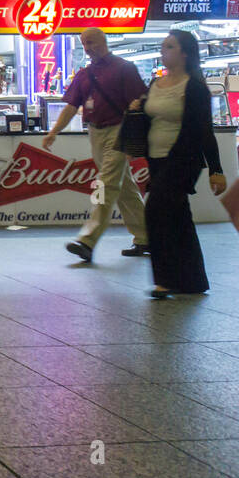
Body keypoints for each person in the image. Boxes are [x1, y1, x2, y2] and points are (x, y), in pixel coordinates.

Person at [128, 31, 227, 298]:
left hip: (183, 160)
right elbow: (148, 118)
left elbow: (205, 131)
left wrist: (216, 170)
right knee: (179, 217)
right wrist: (138, 107)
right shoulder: (155, 84)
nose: (163, 51)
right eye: (162, 47)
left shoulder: (194, 87)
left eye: (169, 47)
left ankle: (165, 280)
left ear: (185, 53)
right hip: (157, 160)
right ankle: (193, 281)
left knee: (156, 211)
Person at [43, 27, 149, 263]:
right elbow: (71, 107)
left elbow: (141, 99)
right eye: (84, 44)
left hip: (119, 131)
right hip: (95, 133)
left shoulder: (124, 68)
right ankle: (145, 237)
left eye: (91, 42)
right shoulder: (84, 74)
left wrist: (137, 108)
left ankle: (87, 240)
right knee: (123, 188)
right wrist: (54, 132)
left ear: (104, 41)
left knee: (105, 183)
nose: (88, 48)